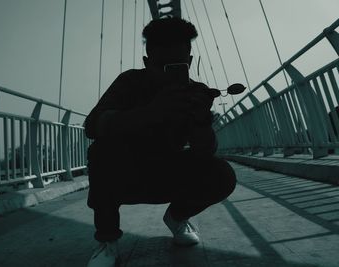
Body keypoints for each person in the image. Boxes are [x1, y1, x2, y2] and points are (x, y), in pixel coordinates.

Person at [84, 17, 236, 267]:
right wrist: (149, 112)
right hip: (126, 174)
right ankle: (107, 241)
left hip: (167, 172)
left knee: (221, 174)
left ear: (189, 62)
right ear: (146, 63)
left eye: (178, 65)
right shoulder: (130, 82)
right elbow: (92, 126)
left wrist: (201, 123)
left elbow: (205, 152)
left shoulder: (195, 92)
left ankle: (177, 218)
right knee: (100, 152)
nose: (171, 73)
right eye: (162, 66)